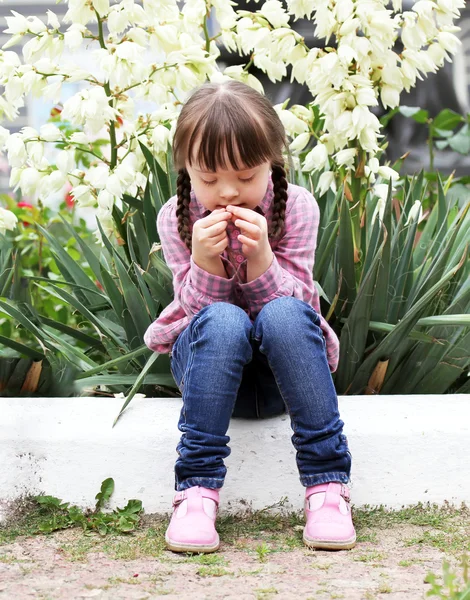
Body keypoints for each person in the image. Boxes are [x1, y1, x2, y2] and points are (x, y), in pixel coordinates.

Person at [144, 79, 355, 554]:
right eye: (210, 177)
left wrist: (261, 262)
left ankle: (327, 487)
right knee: (222, 321)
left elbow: (301, 311)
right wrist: (203, 263)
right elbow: (197, 315)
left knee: (282, 314)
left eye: (245, 176)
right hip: (211, 376)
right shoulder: (175, 216)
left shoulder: (295, 207)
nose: (228, 193)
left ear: (272, 163)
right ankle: (195, 492)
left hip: (284, 378)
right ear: (186, 170)